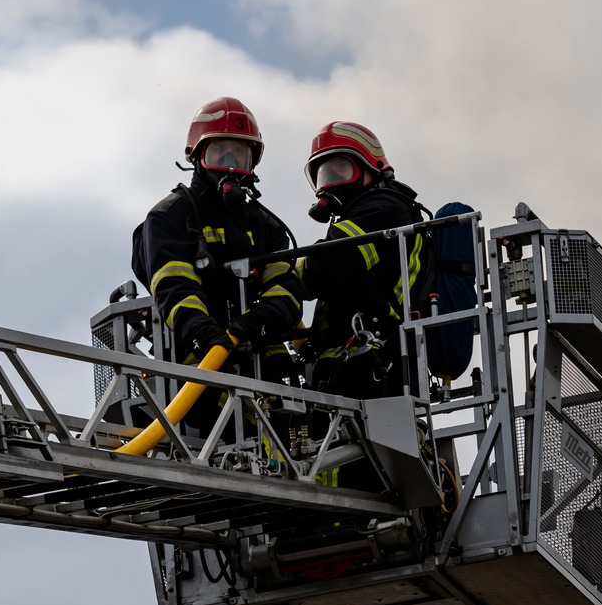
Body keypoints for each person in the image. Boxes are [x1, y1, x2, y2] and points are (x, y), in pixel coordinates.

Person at [140, 97, 299, 376]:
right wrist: (202, 332)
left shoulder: (267, 226)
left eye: (240, 155)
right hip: (197, 363)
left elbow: (285, 290)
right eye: (220, 152)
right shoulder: (171, 216)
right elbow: (174, 287)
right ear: (196, 155)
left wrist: (258, 321)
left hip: (262, 361)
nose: (229, 163)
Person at [292, 121, 428, 400]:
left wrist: (283, 274)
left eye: (341, 170)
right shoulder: (373, 212)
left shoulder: (385, 208)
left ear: (371, 168)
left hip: (376, 361)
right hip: (347, 361)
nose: (331, 184)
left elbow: (328, 266)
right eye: (324, 175)